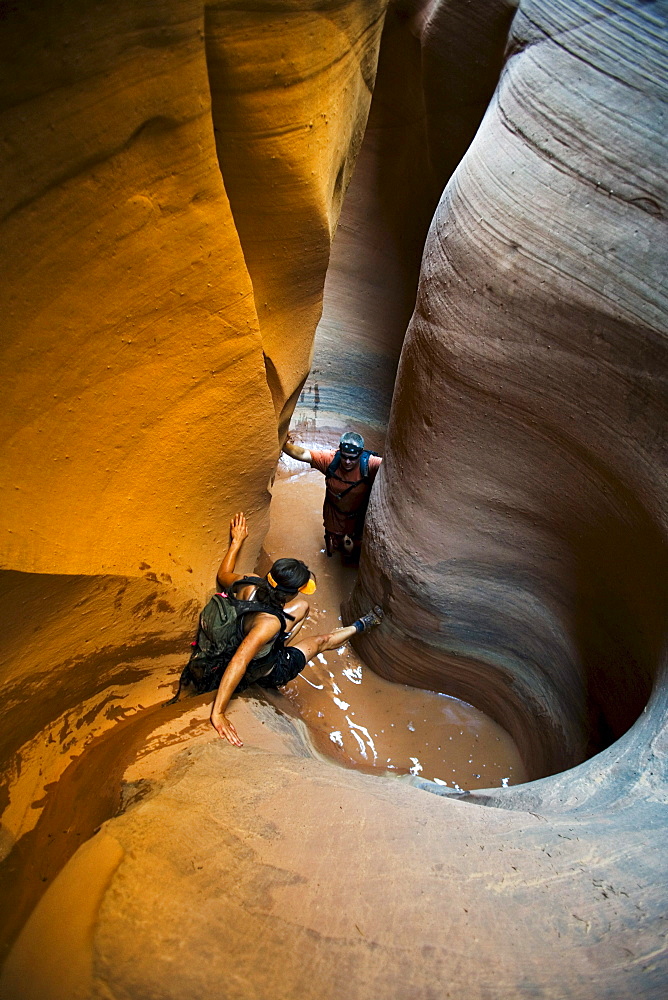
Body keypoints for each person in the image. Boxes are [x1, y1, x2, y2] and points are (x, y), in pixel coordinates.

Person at [210, 512, 383, 746]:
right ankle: (361, 625)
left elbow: (222, 575)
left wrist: (237, 542)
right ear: (289, 593)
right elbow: (239, 662)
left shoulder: (249, 580)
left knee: (302, 608)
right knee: (320, 641)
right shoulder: (268, 624)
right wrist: (218, 713)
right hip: (264, 670)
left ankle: (278, 645)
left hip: (240, 630)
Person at [282, 431, 382, 560]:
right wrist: (282, 443)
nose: (347, 461)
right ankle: (335, 547)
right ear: (340, 451)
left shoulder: (370, 464)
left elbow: (391, 465)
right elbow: (303, 454)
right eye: (344, 457)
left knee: (358, 540)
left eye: (352, 458)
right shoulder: (330, 459)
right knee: (333, 537)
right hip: (334, 511)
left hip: (358, 514)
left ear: (361, 454)